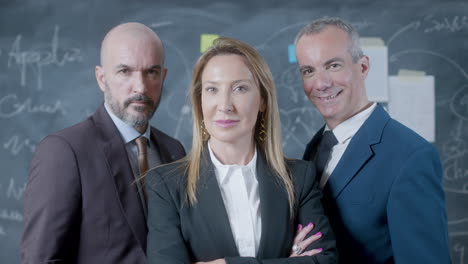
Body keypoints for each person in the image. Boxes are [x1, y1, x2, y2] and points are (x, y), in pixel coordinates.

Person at [145, 37, 338, 264]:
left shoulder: (298, 178)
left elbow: (325, 261)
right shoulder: (166, 185)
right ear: (199, 101)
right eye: (212, 89)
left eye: (240, 88)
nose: (225, 105)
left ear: (262, 100)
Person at [21, 22, 185, 264]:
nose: (140, 87)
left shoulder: (174, 151)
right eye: (124, 71)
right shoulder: (64, 152)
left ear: (163, 76)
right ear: (101, 78)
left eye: (151, 72)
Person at [294, 17, 451, 263]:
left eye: (333, 65)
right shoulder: (315, 147)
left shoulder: (411, 157)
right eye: (309, 71)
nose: (321, 83)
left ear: (364, 67)